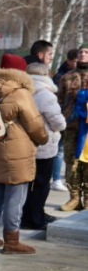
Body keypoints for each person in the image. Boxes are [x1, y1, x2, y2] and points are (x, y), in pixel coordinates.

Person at [0, 53, 47, 254]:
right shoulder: (20, 92)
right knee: (15, 196)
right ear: (19, 71)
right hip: (16, 150)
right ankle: (12, 241)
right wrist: (43, 138)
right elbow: (33, 123)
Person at [20, 62, 66, 230]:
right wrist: (60, 127)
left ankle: (29, 214)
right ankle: (35, 218)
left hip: (24, 143)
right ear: (46, 74)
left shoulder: (21, 91)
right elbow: (57, 121)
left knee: (26, 184)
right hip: (43, 144)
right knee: (41, 184)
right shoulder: (46, 94)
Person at [56, 43, 88, 211]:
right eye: (81, 51)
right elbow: (59, 100)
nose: (82, 54)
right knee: (71, 162)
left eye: (86, 52)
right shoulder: (67, 77)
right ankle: (74, 198)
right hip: (72, 127)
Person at [51, 49, 78, 193]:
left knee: (73, 151)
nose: (77, 63)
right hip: (64, 118)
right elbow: (57, 99)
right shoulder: (60, 77)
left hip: (78, 119)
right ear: (69, 61)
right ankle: (56, 179)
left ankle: (70, 178)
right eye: (74, 60)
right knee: (60, 149)